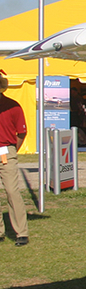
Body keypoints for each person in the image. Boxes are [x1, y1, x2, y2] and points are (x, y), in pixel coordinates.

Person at [0, 74, 29, 246]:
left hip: (6, 150)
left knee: (12, 191)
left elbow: (22, 132)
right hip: (7, 149)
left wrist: (13, 150)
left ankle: (21, 232)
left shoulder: (13, 106)